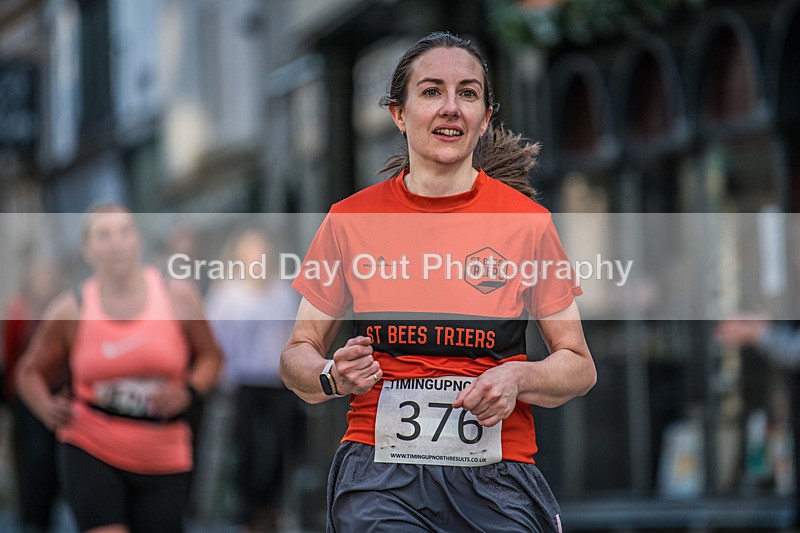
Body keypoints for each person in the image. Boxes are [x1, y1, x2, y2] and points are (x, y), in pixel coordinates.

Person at [279, 31, 597, 532]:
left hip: (496, 473)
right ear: (399, 115)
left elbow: (578, 366)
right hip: (381, 474)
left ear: (485, 117)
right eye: (431, 92)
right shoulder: (349, 221)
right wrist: (330, 375)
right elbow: (296, 354)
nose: (451, 107)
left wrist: (519, 377)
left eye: (467, 93)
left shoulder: (527, 223)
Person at [15, 205, 222, 533]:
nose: (116, 243)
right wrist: (46, 409)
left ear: (138, 241)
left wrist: (189, 391)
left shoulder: (176, 296)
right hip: (90, 446)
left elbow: (212, 356)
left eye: (125, 232)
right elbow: (28, 371)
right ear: (87, 250)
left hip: (163, 451)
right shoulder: (72, 308)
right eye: (104, 235)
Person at [202, 228, 301, 531]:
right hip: (242, 382)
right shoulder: (227, 295)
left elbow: (294, 335)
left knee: (281, 445)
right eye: (252, 250)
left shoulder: (282, 292)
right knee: (248, 448)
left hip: (278, 381)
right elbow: (215, 339)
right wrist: (223, 378)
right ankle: (247, 510)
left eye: (262, 249)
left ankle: (269, 503)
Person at [3, 262, 62, 532]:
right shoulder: (20, 312)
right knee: (34, 456)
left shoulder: (61, 311)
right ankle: (32, 517)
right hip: (24, 396)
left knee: (50, 456)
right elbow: (12, 355)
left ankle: (47, 514)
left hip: (55, 390)